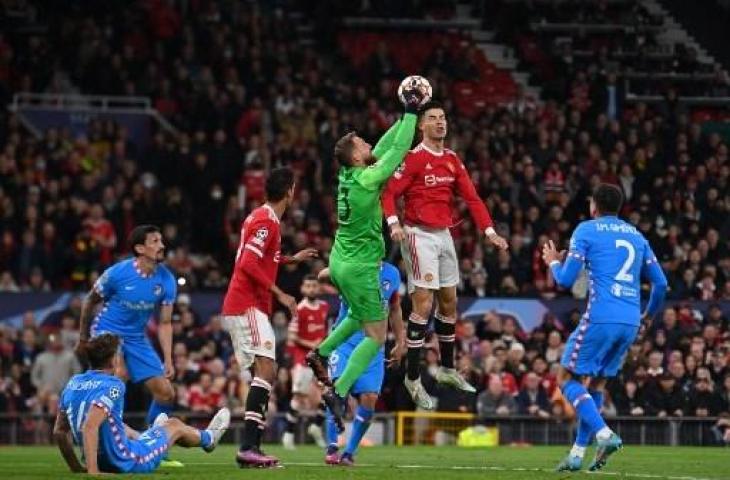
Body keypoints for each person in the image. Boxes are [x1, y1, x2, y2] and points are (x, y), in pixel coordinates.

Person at [305, 80, 425, 427]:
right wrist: (411, 113)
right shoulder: (369, 179)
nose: (370, 143)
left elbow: (386, 144)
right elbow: (399, 149)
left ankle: (321, 351)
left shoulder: (348, 174)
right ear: (357, 155)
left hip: (340, 260)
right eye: (363, 143)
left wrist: (406, 111)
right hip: (360, 267)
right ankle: (338, 391)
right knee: (375, 334)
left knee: (359, 316)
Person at [381, 101, 509, 409]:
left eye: (443, 118)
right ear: (421, 126)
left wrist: (489, 231)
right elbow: (387, 192)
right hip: (417, 234)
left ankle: (447, 368)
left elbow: (472, 198)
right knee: (423, 302)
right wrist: (394, 223)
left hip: (444, 234)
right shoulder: (412, 159)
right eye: (433, 118)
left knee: (450, 301)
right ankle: (412, 377)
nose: (440, 122)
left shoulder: (452, 160)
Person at [542, 183, 668, 472]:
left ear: (593, 206)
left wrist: (552, 262)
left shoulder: (586, 230)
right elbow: (660, 284)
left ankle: (604, 434)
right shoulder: (637, 236)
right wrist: (647, 317)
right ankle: (577, 454)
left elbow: (564, 280)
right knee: (597, 383)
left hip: (601, 316)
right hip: (631, 320)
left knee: (565, 377)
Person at [220, 167, 318, 468]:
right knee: (267, 370)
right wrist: (280, 293)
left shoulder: (261, 217)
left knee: (264, 374)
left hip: (245, 306)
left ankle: (251, 448)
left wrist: (291, 259)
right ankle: (249, 447)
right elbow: (248, 263)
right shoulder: (266, 221)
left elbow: (260, 257)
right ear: (289, 191)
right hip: (247, 304)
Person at [76, 224, 181, 466]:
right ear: (139, 248)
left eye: (161, 240)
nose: (162, 245)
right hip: (106, 331)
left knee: (166, 393)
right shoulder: (117, 273)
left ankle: (152, 442)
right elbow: (89, 301)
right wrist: (83, 339)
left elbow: (165, 323)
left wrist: (168, 358)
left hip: (136, 337)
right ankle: (105, 446)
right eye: (155, 241)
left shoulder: (166, 279)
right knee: (118, 377)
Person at [54, 334, 230, 475]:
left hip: (103, 457)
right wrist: (93, 472)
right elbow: (90, 426)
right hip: (127, 460)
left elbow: (60, 431)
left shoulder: (74, 382)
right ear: (112, 360)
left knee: (124, 427)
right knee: (175, 425)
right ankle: (209, 439)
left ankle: (152, 433)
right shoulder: (114, 385)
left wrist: (77, 467)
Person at [320, 262, 405, 466]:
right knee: (337, 392)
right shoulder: (353, 263)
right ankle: (332, 447)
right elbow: (322, 276)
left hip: (373, 343)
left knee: (370, 398)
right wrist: (340, 268)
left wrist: (401, 342)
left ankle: (349, 452)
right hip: (345, 341)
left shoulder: (392, 273)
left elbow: (394, 308)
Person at [282, 274, 329, 450]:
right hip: (302, 359)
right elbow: (291, 336)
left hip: (320, 358)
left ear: (319, 288)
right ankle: (288, 434)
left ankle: (316, 426)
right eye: (308, 286)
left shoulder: (324, 307)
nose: (311, 289)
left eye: (314, 286)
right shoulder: (299, 309)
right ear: (303, 289)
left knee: (329, 392)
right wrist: (312, 344)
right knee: (299, 397)